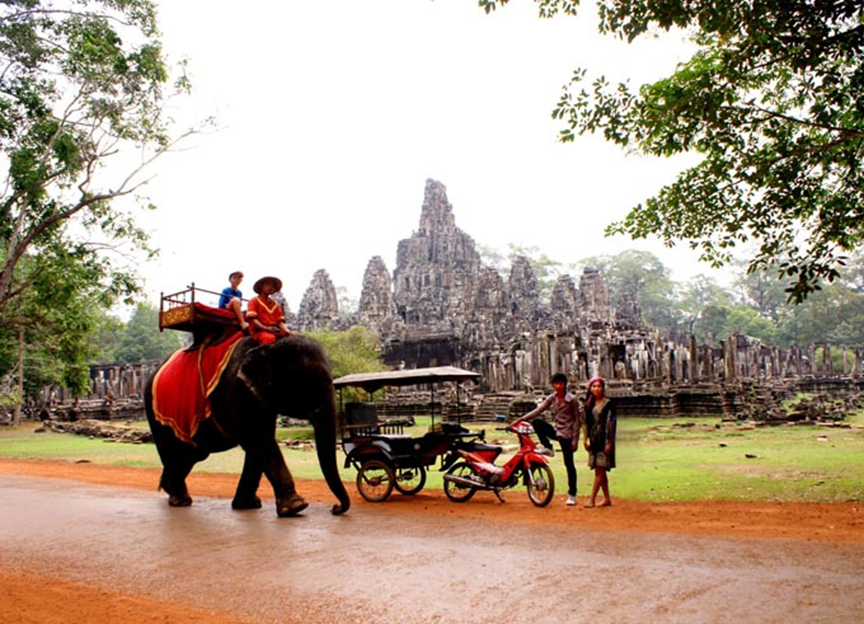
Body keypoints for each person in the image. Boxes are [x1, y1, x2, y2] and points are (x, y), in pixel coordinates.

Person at [513, 372, 582, 506]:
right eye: (555, 384)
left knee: (569, 464)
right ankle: (548, 447)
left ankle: (572, 493)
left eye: (560, 383)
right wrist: (521, 419)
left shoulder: (572, 400)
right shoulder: (552, 398)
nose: (558, 386)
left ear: (565, 384)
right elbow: (538, 410)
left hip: (567, 434)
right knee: (538, 423)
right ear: (553, 385)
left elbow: (577, 421)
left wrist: (575, 440)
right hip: (556, 431)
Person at [583, 376, 616, 508]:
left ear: (603, 388)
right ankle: (607, 498)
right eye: (594, 386)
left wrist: (610, 443)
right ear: (590, 389)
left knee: (599, 470)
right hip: (594, 439)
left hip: (604, 439)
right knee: (600, 470)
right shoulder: (589, 404)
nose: (596, 388)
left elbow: (611, 424)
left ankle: (592, 499)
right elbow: (585, 423)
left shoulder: (608, 404)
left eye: (599, 386)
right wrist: (584, 439)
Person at [246, 276, 292, 345]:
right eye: (268, 284)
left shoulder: (275, 304)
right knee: (269, 339)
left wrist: (287, 331)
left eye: (273, 286)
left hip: (274, 330)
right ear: (261, 286)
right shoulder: (254, 301)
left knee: (292, 339)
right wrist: (267, 328)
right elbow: (254, 320)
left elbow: (280, 321)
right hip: (260, 330)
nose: (271, 287)